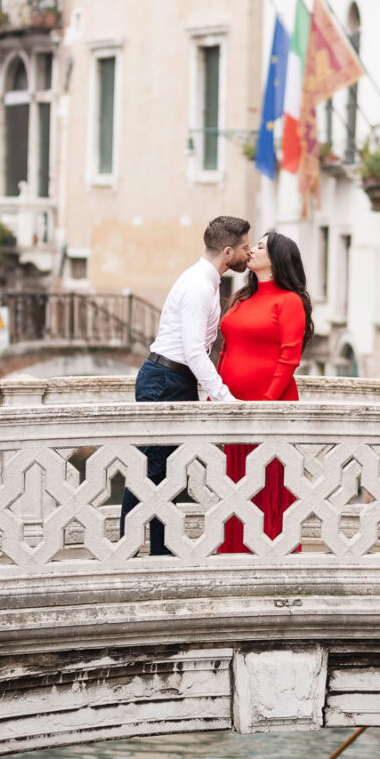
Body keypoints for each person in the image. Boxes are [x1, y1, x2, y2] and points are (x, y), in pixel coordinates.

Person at [120, 215, 251, 555]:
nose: (248, 254)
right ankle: (127, 551)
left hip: (172, 378)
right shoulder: (197, 286)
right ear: (227, 252)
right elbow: (194, 350)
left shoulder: (204, 281)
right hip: (166, 379)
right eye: (244, 248)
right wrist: (223, 397)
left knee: (165, 473)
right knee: (149, 468)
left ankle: (160, 551)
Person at [216, 232, 312, 550]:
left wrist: (267, 403)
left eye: (260, 246)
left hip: (270, 406)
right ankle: (235, 549)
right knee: (235, 481)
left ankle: (274, 552)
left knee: (270, 481)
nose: (252, 250)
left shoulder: (289, 301)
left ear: (277, 258)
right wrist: (215, 391)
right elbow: (227, 350)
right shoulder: (243, 297)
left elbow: (289, 358)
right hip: (232, 405)